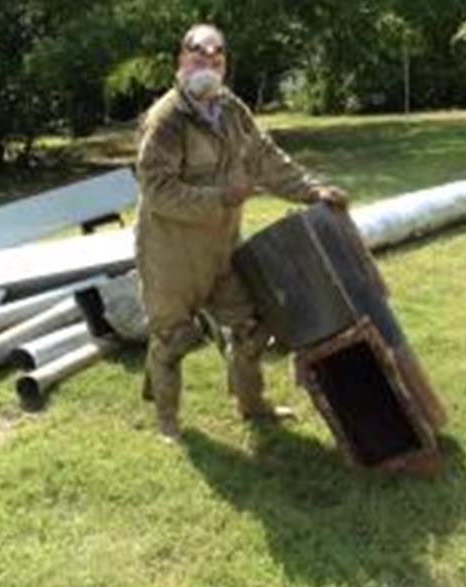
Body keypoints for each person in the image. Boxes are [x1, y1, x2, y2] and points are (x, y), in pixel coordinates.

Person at [136, 23, 349, 440]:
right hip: (170, 253)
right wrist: (221, 198)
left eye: (216, 60)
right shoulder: (166, 120)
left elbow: (267, 157)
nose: (207, 67)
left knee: (252, 326)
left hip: (222, 248)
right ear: (181, 61)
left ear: (225, 64)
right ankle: (168, 422)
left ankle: (253, 406)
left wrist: (311, 190)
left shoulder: (232, 109)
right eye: (198, 58)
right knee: (172, 338)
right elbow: (156, 190)